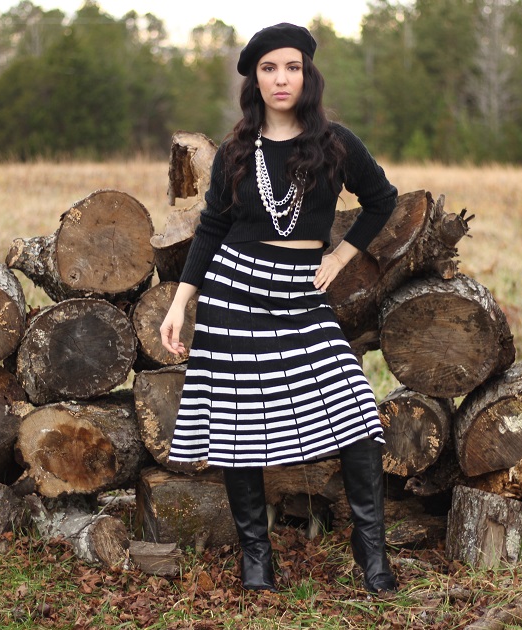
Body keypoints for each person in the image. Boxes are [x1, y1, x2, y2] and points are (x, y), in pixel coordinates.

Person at [160, 22, 398, 595]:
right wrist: (179, 303)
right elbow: (212, 227)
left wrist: (339, 257)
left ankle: (372, 555)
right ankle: (256, 561)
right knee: (239, 429)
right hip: (233, 290)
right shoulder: (238, 150)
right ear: (255, 79)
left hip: (299, 295)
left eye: (291, 66)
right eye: (269, 68)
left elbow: (381, 199)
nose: (281, 78)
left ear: (308, 73)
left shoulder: (336, 144)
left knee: (356, 409)